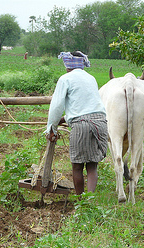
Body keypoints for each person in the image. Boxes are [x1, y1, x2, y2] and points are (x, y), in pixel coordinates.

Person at [45, 51, 108, 195]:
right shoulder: (91, 78)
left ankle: (81, 200)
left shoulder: (65, 79)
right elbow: (85, 106)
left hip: (81, 125)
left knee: (77, 166)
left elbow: (56, 106)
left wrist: (51, 128)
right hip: (100, 123)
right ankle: (89, 199)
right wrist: (64, 120)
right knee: (92, 165)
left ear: (67, 65)